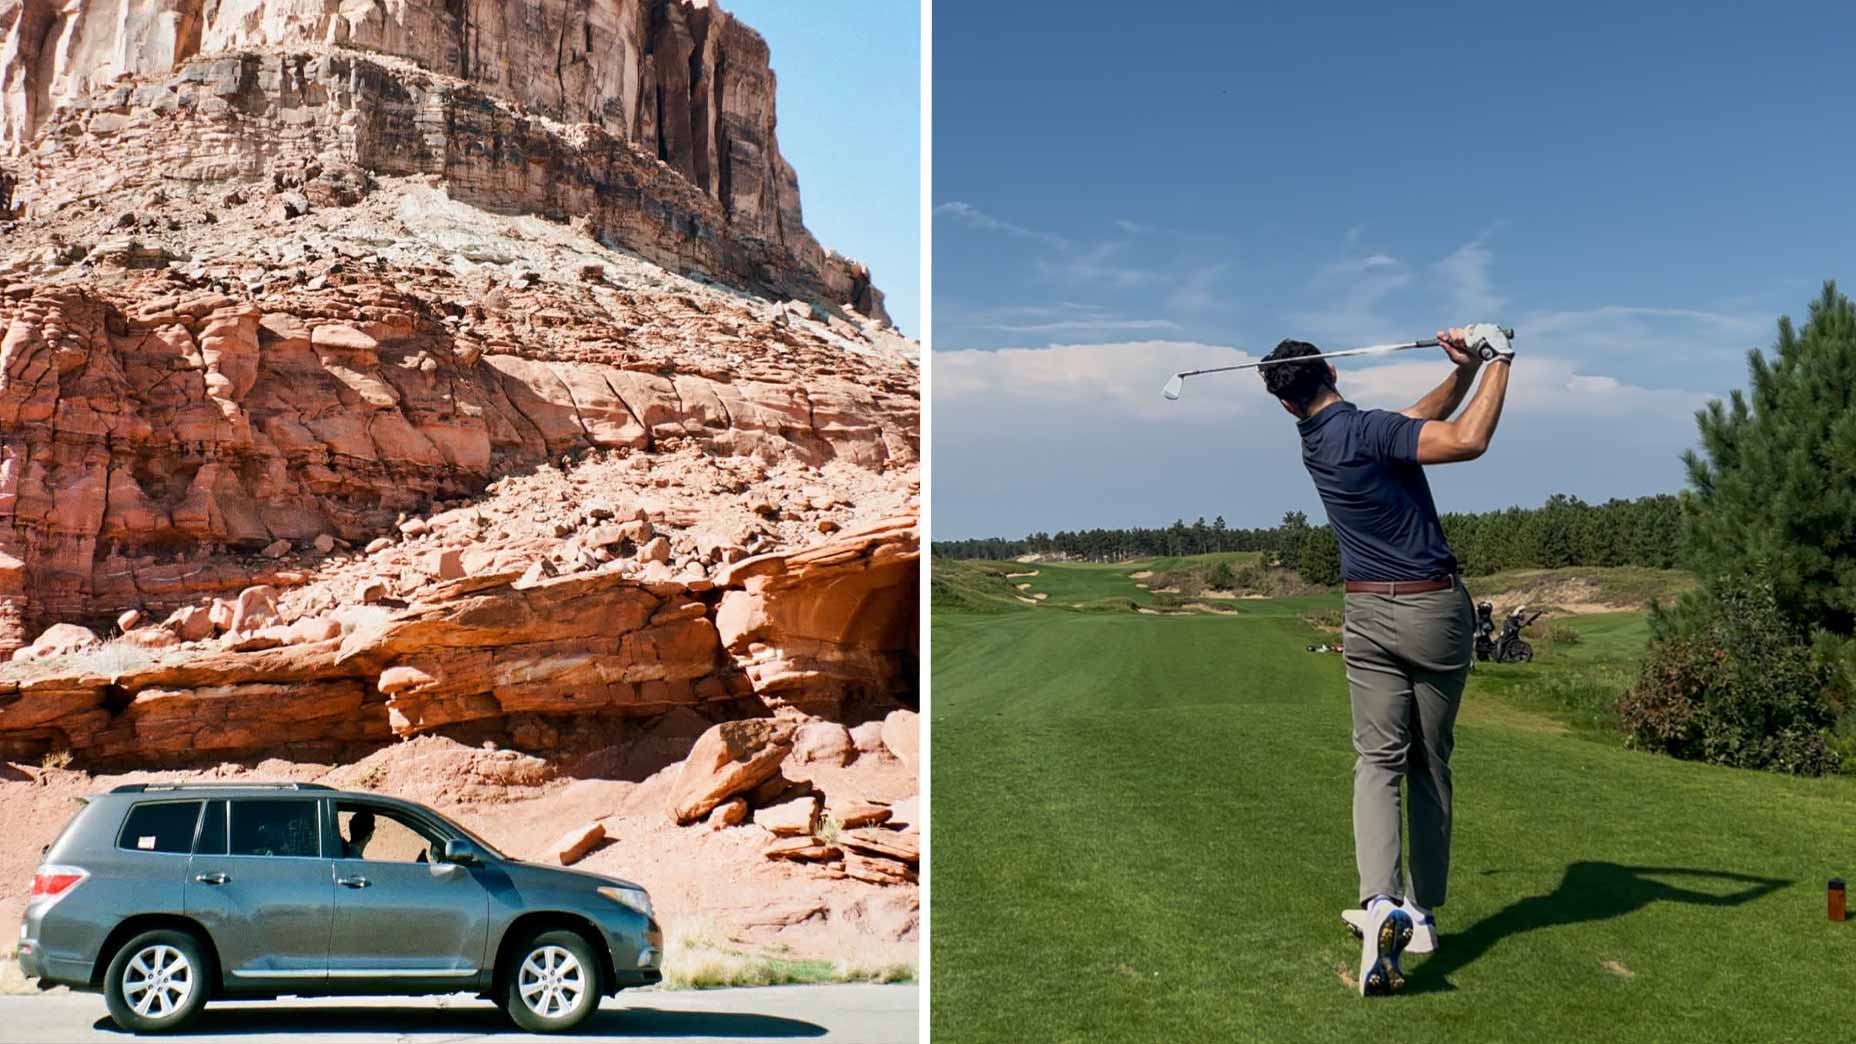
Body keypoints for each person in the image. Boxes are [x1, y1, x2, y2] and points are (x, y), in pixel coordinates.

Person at [1260, 323, 1513, 996]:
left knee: (1377, 762)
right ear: (1334, 375)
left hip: (1365, 615)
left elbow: (1411, 423)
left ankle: (1378, 905)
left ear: (1287, 404)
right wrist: (1501, 360)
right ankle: (1421, 914)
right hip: (1431, 612)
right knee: (1429, 763)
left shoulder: (1320, 441)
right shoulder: (1364, 430)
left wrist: (1460, 372)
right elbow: (1466, 440)